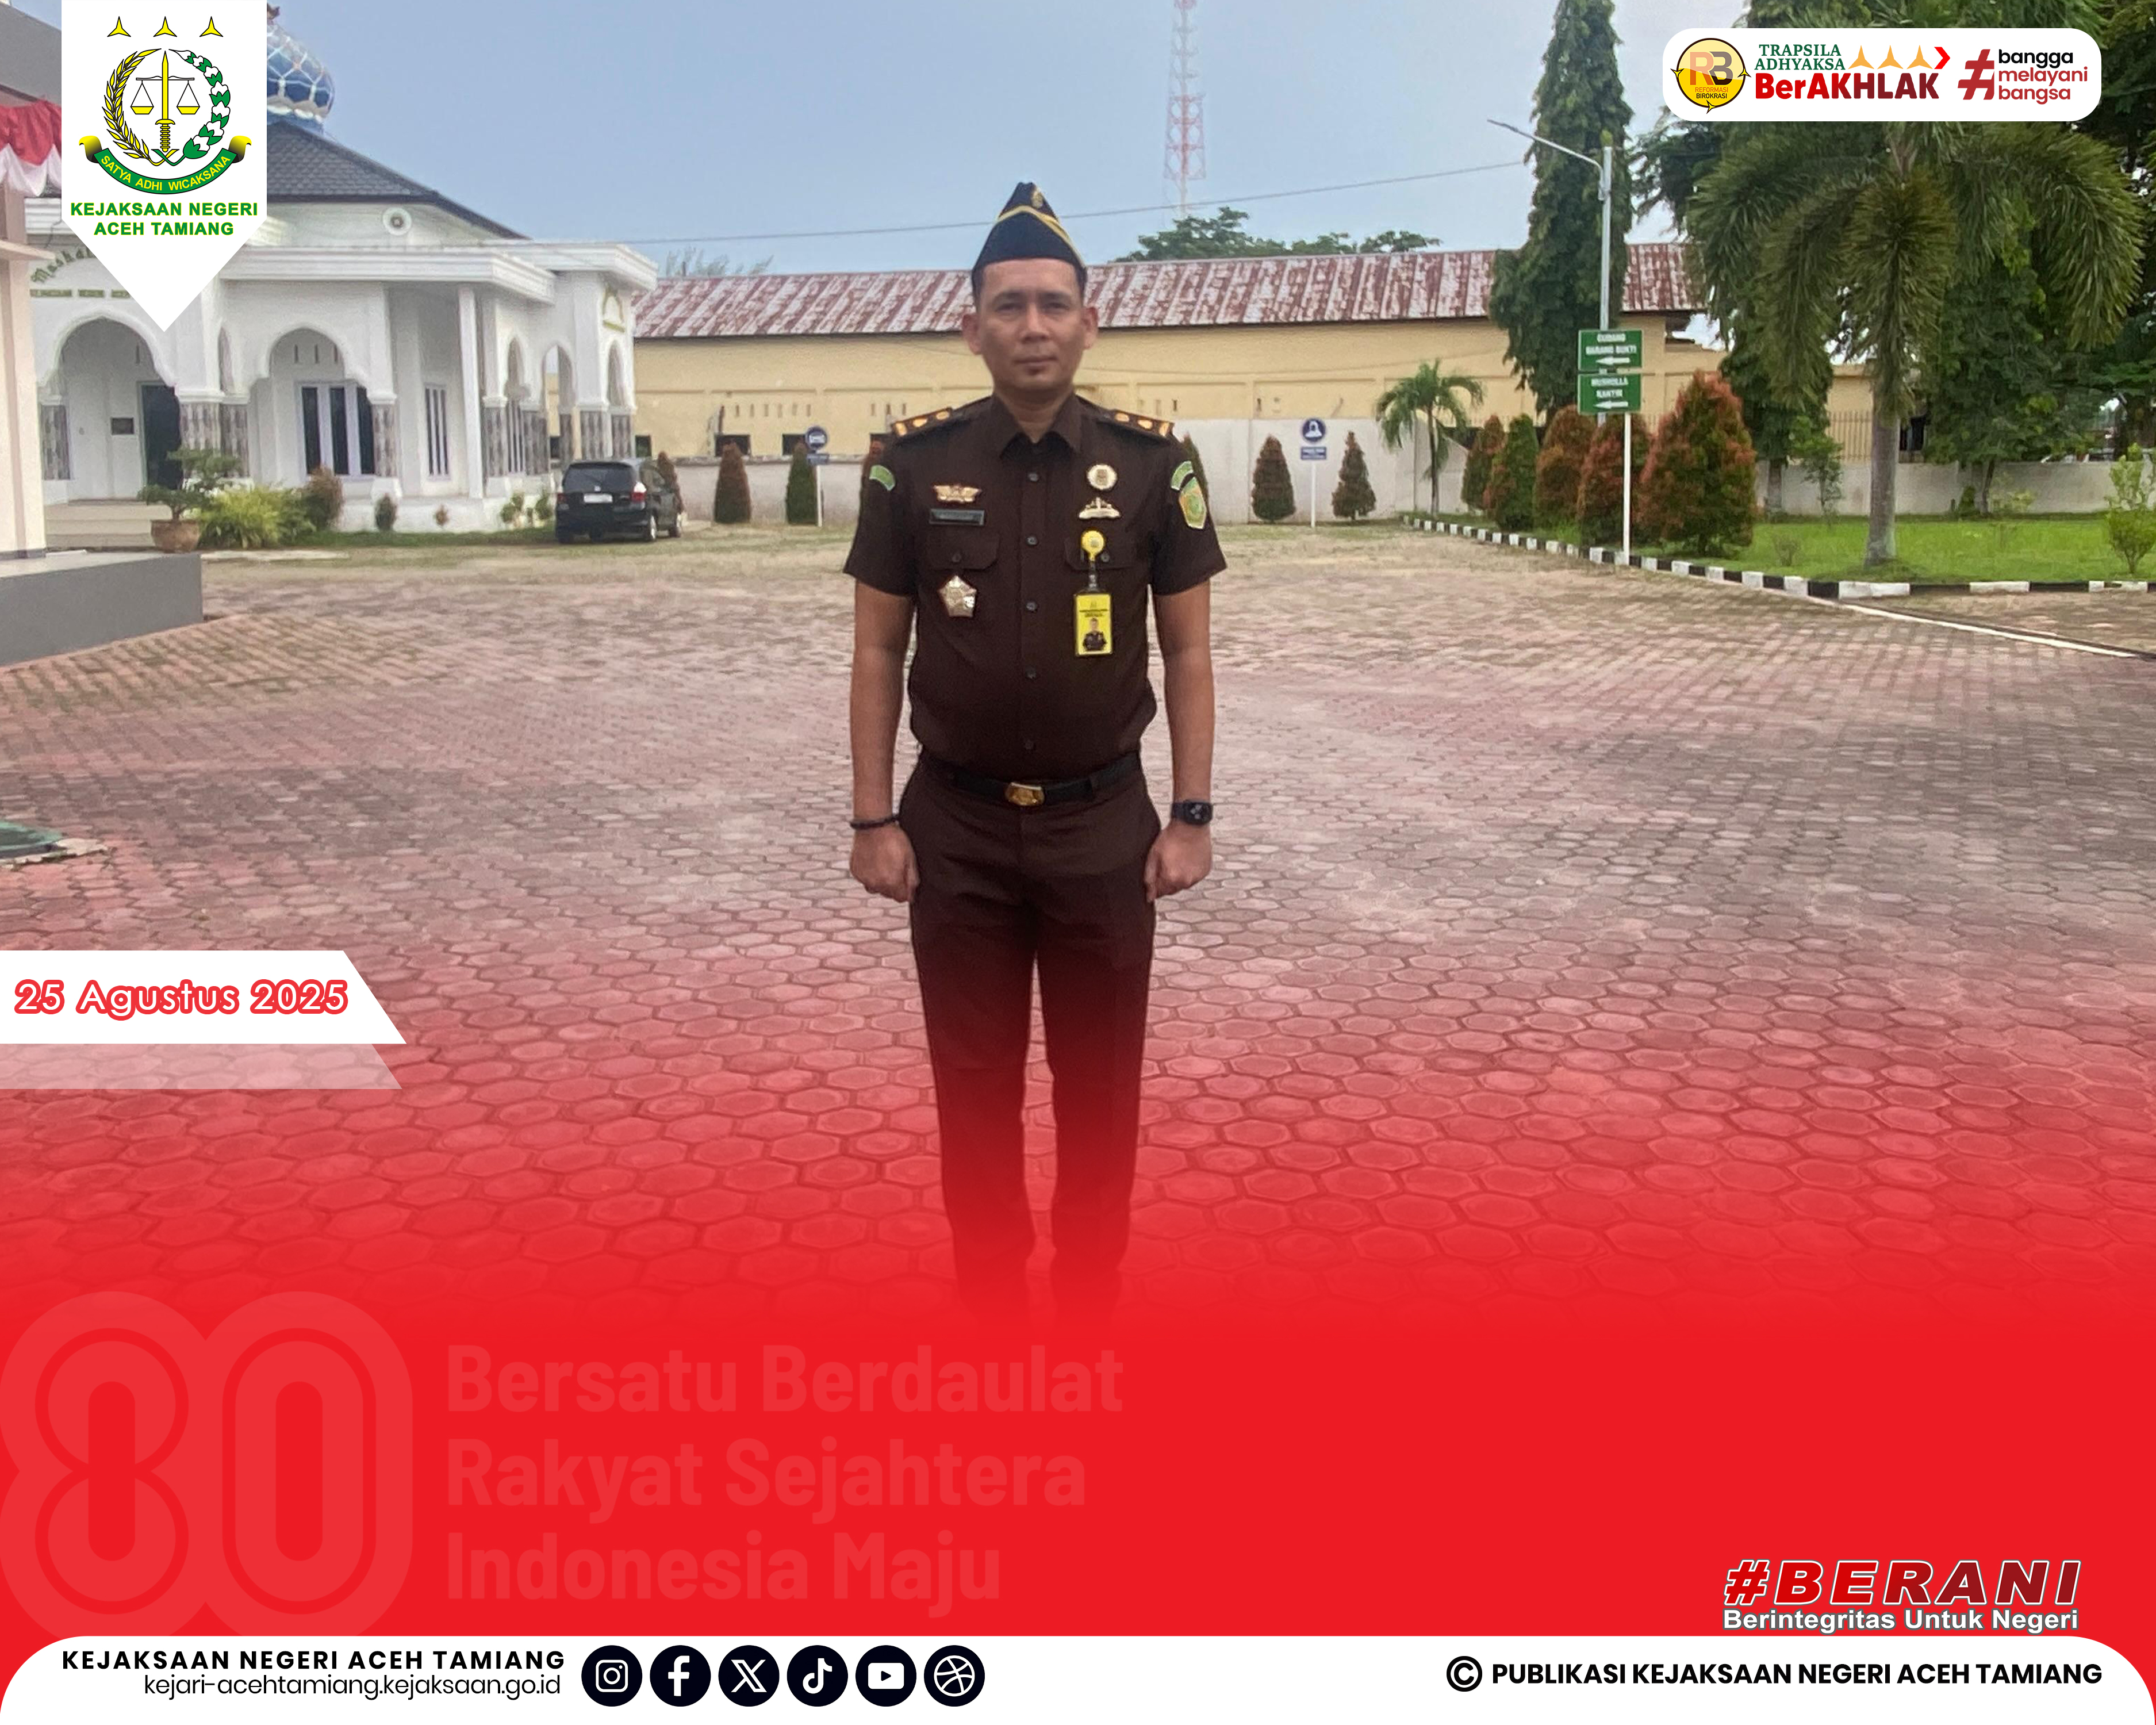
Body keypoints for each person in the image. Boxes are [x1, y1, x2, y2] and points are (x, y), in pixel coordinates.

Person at [843, 182, 1223, 1332]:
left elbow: (1189, 651)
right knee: (973, 1086)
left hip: (1102, 828)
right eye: (1008, 306)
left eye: (1055, 304)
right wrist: (872, 819)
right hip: (953, 832)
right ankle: (991, 1301)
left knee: (1100, 1087)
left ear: (1089, 324)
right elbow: (876, 649)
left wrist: (1191, 813)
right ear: (971, 328)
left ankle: (1092, 1294)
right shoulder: (909, 466)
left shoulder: (1153, 465)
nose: (1034, 326)